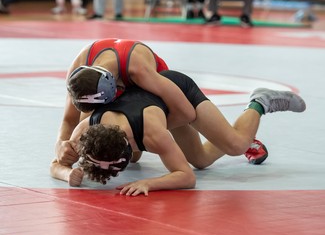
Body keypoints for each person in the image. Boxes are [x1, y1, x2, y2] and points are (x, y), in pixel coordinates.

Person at [50, 70, 306, 196]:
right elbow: (56, 164)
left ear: (131, 145)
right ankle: (236, 135)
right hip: (149, 111)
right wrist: (67, 173)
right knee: (202, 160)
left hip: (177, 96)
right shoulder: (85, 131)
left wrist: (150, 183)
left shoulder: (153, 135)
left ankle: (260, 102)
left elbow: (186, 177)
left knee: (236, 145)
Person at [55, 38, 196, 168]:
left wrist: (146, 130)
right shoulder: (79, 74)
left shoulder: (139, 69)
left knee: (198, 159)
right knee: (93, 135)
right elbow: (69, 119)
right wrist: (60, 145)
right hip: (114, 84)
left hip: (150, 88)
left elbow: (186, 112)